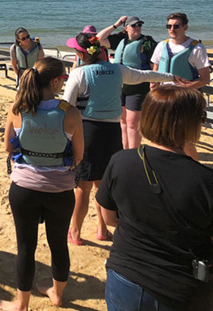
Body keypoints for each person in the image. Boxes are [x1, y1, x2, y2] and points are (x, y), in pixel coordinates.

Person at [97, 86, 213, 311]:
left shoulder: (121, 161)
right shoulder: (205, 180)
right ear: (190, 124)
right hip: (180, 288)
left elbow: (109, 217)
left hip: (125, 277)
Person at [63, 33, 182, 245]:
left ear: (81, 54)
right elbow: (144, 75)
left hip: (88, 131)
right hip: (112, 133)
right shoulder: (118, 69)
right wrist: (171, 77)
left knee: (83, 186)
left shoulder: (79, 73)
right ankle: (101, 229)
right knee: (102, 185)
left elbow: (67, 106)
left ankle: (75, 231)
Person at [0, 58, 84, 311]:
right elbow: (78, 156)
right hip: (60, 189)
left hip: (24, 188)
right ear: (56, 81)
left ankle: (21, 303)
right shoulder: (69, 112)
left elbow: (7, 147)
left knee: (26, 246)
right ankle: (57, 295)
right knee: (58, 243)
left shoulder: (18, 109)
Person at [151, 12, 210, 160]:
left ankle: (194, 169)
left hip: (186, 99)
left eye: (176, 26)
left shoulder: (197, 48)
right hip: (164, 98)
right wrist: (153, 85)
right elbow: (155, 71)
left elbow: (205, 79)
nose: (172, 29)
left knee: (186, 141)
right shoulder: (161, 45)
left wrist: (184, 89)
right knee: (162, 137)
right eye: (169, 26)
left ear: (185, 27)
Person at [97, 16, 157, 149]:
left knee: (132, 123)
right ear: (126, 28)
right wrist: (116, 24)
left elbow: (156, 64)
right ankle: (126, 150)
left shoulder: (148, 43)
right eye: (134, 25)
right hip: (120, 87)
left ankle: (133, 153)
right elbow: (99, 39)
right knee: (122, 121)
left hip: (139, 88)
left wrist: (154, 82)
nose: (138, 28)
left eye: (139, 25)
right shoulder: (120, 40)